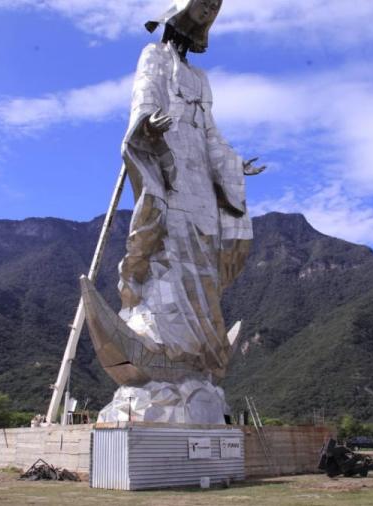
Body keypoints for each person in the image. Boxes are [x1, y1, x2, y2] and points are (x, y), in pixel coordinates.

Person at [79, 0, 266, 424]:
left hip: (202, 178)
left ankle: (198, 351)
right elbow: (142, 104)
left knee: (202, 264)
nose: (204, 16)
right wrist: (147, 125)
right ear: (177, 13)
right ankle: (162, 342)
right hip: (169, 173)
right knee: (168, 255)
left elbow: (211, 133)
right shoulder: (153, 56)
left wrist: (234, 165)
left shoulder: (200, 79)